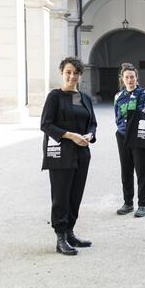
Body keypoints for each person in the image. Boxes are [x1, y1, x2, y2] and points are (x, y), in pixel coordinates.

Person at [40, 57, 97, 256]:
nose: (72, 76)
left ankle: (70, 232)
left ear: (80, 75)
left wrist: (90, 135)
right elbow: (46, 124)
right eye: (68, 72)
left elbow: (93, 123)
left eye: (75, 73)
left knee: (75, 195)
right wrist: (70, 135)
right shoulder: (55, 96)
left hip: (82, 153)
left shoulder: (85, 98)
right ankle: (60, 237)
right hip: (61, 154)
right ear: (62, 73)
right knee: (61, 196)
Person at [114, 63, 145, 218]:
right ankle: (128, 203)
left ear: (136, 78)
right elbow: (117, 117)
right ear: (122, 79)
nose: (130, 80)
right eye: (127, 77)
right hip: (122, 136)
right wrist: (121, 130)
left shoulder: (144, 94)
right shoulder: (118, 97)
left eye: (132, 77)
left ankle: (142, 204)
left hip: (139, 137)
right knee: (126, 171)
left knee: (141, 172)